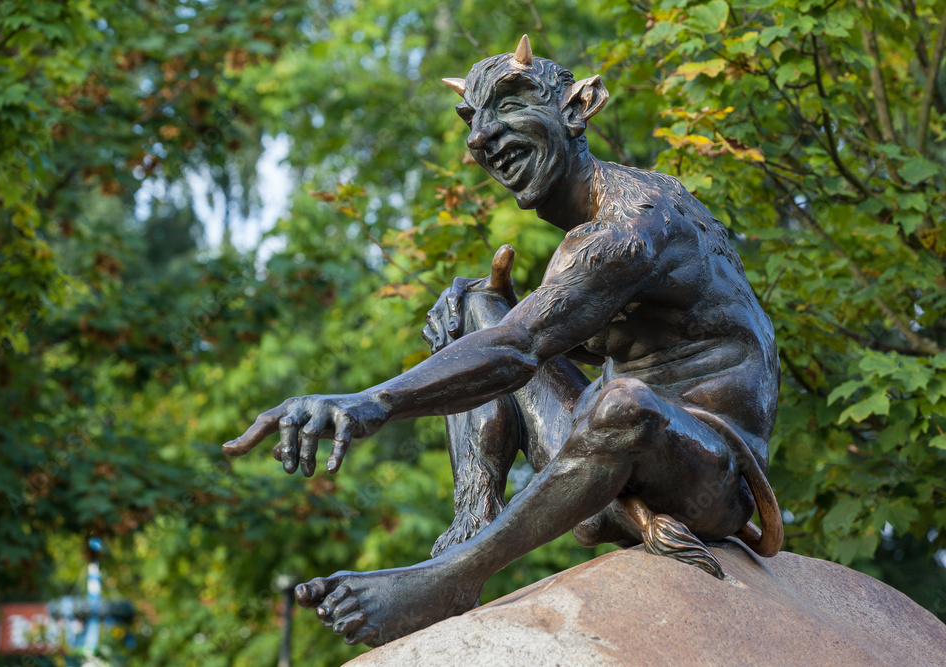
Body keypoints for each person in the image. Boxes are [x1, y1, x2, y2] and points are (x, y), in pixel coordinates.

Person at [222, 35, 781, 648]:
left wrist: (370, 402)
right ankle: (470, 524)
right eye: (473, 120)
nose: (479, 139)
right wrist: (489, 315)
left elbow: (518, 349)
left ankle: (451, 578)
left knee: (618, 400)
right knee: (472, 304)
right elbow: (540, 336)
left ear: (579, 108)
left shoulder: (635, 223)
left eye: (510, 105)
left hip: (709, 476)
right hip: (608, 466)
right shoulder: (591, 241)